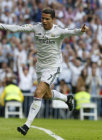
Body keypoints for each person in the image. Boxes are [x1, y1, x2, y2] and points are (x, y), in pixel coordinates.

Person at [0, 7, 88, 135]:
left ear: (53, 19)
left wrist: (82, 30)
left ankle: (26, 125)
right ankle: (66, 98)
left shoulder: (59, 30)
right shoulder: (36, 27)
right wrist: (1, 25)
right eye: (42, 18)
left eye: (47, 19)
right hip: (40, 66)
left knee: (38, 92)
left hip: (53, 66)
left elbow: (74, 32)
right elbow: (17, 27)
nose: (44, 21)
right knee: (46, 95)